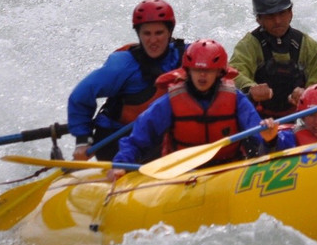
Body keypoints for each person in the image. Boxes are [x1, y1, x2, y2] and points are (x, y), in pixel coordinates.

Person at [109, 39, 265, 178]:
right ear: (188, 71)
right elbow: (137, 139)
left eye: (208, 70)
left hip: (228, 172)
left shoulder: (236, 99)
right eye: (197, 70)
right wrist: (122, 163)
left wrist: (272, 139)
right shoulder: (170, 101)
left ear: (219, 72)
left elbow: (259, 134)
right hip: (183, 176)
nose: (202, 76)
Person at [67, 0, 188, 161]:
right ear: (139, 34)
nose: (153, 40)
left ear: (169, 32)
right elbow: (81, 95)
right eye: (147, 33)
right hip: (117, 140)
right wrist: (83, 140)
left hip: (158, 136)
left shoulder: (186, 55)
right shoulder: (122, 65)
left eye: (159, 33)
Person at [229, 0, 317, 120]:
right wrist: (251, 88)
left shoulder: (309, 47)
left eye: (282, 13)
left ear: (291, 13)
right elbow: (234, 74)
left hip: (300, 121)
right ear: (259, 19)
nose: (277, 21)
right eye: (270, 16)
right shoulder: (248, 45)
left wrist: (308, 93)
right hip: (258, 121)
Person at [262, 83, 317, 152]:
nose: (316, 121)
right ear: (303, 117)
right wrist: (271, 141)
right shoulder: (293, 137)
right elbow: (279, 144)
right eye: (311, 115)